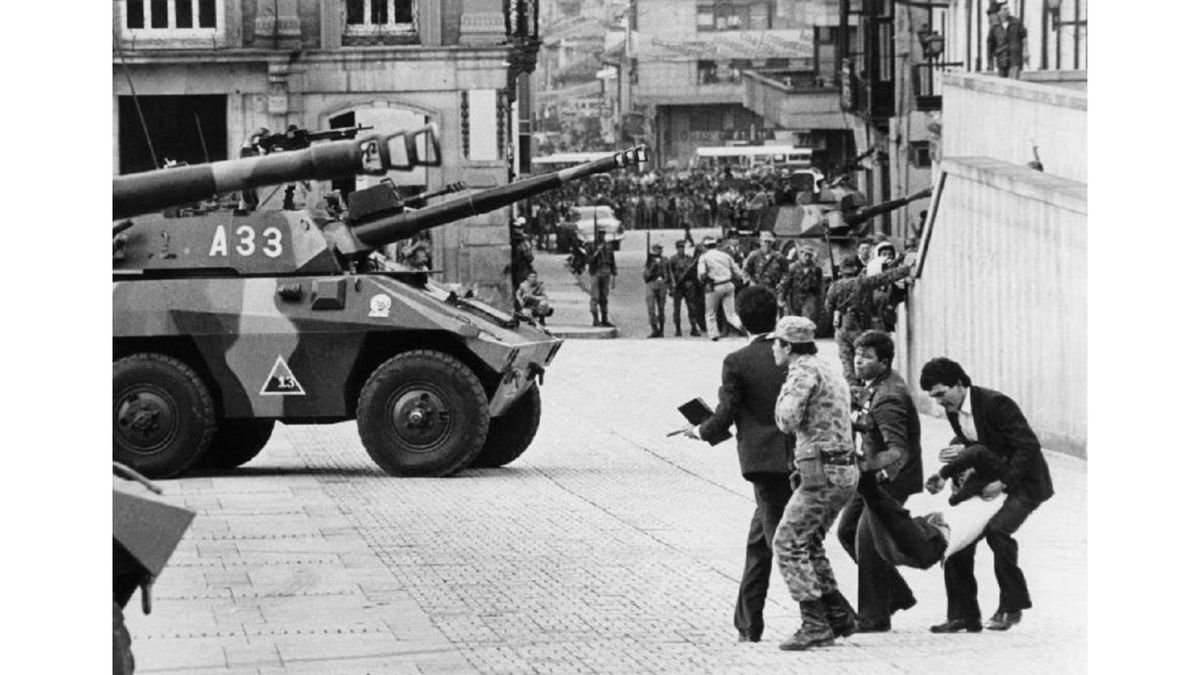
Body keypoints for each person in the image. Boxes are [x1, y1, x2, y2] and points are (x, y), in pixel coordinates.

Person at [681, 285, 796, 643]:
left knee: (782, 544)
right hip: (796, 457)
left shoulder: (737, 361)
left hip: (763, 462)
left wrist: (699, 431)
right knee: (759, 542)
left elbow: (726, 413)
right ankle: (747, 624)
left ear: (740, 320)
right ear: (776, 315)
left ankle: (835, 613)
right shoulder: (793, 354)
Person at [919, 357, 1054, 633]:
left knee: (997, 532)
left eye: (942, 394)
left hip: (1024, 482)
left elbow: (1028, 446)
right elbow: (975, 442)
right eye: (934, 398)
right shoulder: (953, 409)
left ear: (959, 384)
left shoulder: (996, 403)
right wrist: (959, 452)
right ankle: (962, 615)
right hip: (990, 477)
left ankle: (1011, 607)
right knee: (958, 534)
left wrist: (1003, 483)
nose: (940, 403)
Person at [770, 316, 859, 651]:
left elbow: (787, 419)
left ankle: (815, 624)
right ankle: (838, 615)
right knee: (810, 542)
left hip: (822, 472)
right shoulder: (827, 367)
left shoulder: (802, 372)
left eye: (777, 344)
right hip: (842, 470)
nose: (773, 349)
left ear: (787, 346)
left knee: (787, 542)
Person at [836, 330, 923, 633]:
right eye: (857, 354)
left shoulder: (889, 397)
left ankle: (874, 616)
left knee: (868, 539)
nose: (858, 361)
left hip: (890, 479)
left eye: (867, 357)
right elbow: (869, 420)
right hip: (872, 478)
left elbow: (897, 450)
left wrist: (866, 467)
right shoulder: (876, 385)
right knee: (848, 531)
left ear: (884, 363)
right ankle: (896, 595)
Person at [824, 257, 912, 384]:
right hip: (860, 327)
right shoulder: (863, 282)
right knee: (866, 361)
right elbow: (886, 277)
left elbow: (828, 308)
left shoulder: (834, 287)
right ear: (855, 269)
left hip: (842, 328)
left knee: (848, 366)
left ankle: (853, 390)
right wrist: (906, 268)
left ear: (841, 271)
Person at [696, 236, 745, 342]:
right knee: (731, 314)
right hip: (728, 284)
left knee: (710, 313)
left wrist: (702, 280)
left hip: (714, 286)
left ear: (705, 246)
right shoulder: (725, 255)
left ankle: (714, 335)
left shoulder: (704, 257)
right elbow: (737, 271)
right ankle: (743, 327)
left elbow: (701, 274)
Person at [666, 240, 703, 337]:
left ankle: (694, 328)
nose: (681, 249)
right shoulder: (673, 259)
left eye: (682, 247)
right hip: (677, 287)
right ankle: (678, 329)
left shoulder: (689, 259)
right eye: (679, 247)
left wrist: (692, 284)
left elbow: (694, 272)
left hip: (688, 286)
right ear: (676, 248)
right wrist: (671, 287)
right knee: (677, 309)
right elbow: (670, 274)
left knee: (692, 308)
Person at [776, 245, 823, 323]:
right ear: (801, 255)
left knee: (807, 322)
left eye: (810, 255)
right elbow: (785, 284)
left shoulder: (816, 269)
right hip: (794, 299)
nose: (807, 258)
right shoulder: (793, 267)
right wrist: (781, 299)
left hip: (809, 299)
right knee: (794, 321)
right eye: (805, 255)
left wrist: (819, 301)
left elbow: (820, 286)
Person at [987, 1, 1027, 79]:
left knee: (1013, 82)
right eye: (1004, 9)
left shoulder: (1016, 22)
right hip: (1001, 58)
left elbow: (1024, 37)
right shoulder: (994, 26)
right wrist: (990, 62)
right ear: (999, 12)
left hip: (1015, 58)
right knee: (1003, 83)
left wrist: (1025, 52)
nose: (1007, 11)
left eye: (1008, 9)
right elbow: (990, 45)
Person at [587, 230, 617, 328]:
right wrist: (596, 251)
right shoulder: (591, 246)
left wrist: (614, 275)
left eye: (603, 233)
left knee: (604, 297)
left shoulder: (608, 246)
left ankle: (605, 319)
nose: (602, 235)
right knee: (595, 296)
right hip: (596, 272)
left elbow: (612, 261)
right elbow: (588, 260)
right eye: (600, 233)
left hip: (606, 272)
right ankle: (595, 319)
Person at [643, 243, 668, 338]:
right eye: (658, 248)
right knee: (651, 308)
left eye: (661, 248)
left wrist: (671, 286)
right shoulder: (649, 261)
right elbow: (645, 276)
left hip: (662, 285)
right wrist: (652, 268)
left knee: (661, 308)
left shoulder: (665, 260)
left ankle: (661, 330)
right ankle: (654, 329)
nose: (660, 250)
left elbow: (669, 273)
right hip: (651, 284)